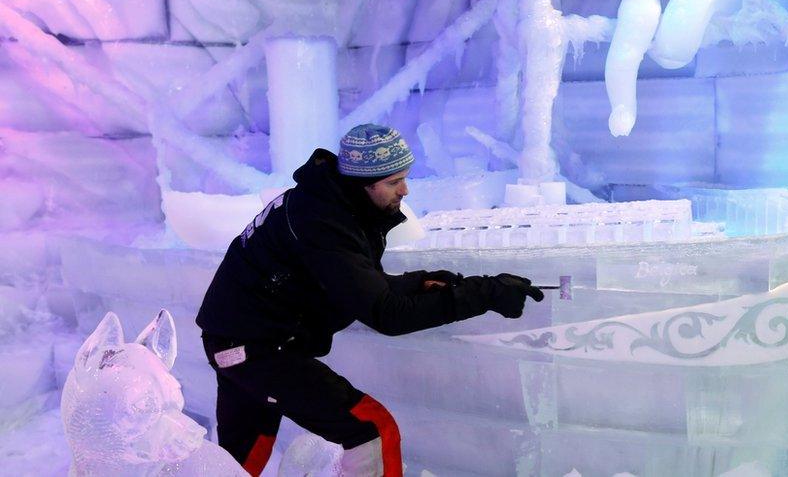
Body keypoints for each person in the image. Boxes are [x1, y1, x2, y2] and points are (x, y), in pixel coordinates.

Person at [196, 123, 544, 476]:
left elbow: (356, 282)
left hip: (240, 342)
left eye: (405, 178)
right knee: (372, 430)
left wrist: (427, 282)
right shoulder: (324, 221)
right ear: (365, 183)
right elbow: (387, 315)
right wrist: (484, 295)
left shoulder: (328, 202)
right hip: (257, 349)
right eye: (394, 182)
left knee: (239, 465)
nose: (405, 190)